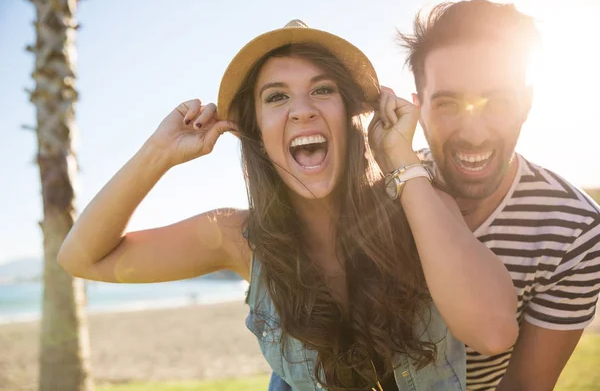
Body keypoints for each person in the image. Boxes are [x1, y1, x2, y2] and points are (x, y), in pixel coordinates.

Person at [57, 20, 518, 390]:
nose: (301, 110)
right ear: (256, 131)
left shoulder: (421, 204)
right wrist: (158, 153)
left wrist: (400, 158)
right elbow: (81, 258)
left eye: (322, 91)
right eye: (276, 97)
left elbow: (494, 333)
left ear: (351, 117)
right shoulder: (237, 239)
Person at [396, 0, 600, 391]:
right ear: (418, 108)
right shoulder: (378, 189)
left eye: (498, 102)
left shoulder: (574, 229)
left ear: (526, 103)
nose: (474, 132)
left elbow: (525, 384)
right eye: (448, 103)